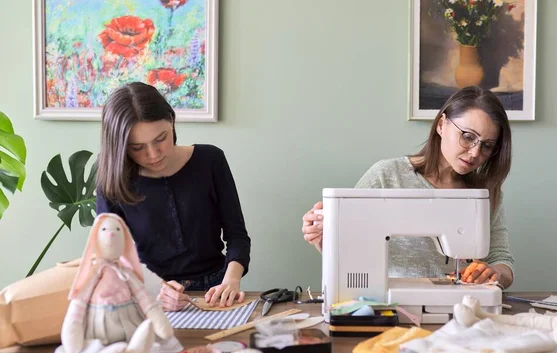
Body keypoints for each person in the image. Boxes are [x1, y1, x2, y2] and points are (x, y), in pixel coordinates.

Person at [301, 86, 514, 289]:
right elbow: (348, 250)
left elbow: (501, 260)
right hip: (389, 307)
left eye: (486, 145)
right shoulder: (386, 176)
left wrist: (494, 273)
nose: (476, 153)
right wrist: (323, 238)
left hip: (463, 310)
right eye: (468, 137)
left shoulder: (486, 194)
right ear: (441, 125)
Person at [96, 82, 251, 310]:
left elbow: (237, 236)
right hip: (146, 295)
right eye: (137, 147)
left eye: (161, 138)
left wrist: (231, 280)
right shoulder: (112, 177)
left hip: (214, 292)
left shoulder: (210, 161)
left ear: (172, 121)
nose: (153, 154)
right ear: (121, 146)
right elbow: (109, 259)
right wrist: (154, 289)